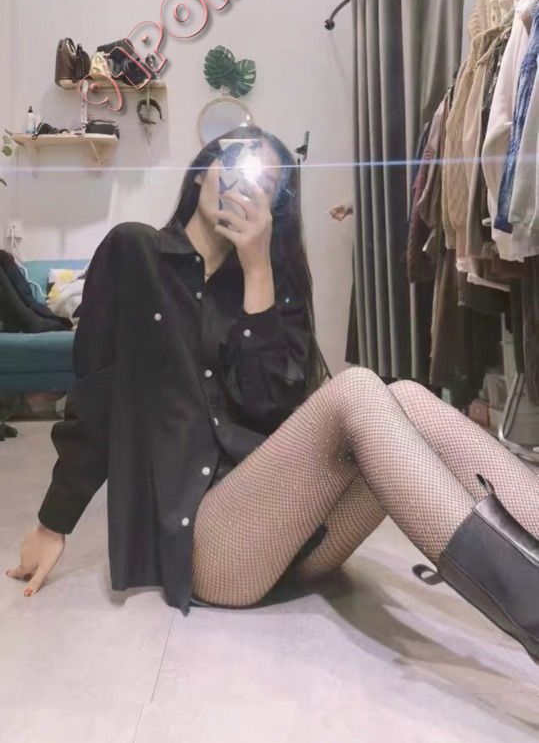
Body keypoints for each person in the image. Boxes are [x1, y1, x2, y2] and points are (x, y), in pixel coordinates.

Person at [6, 125, 539, 663]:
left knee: (405, 397)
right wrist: (53, 523)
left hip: (297, 536)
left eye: (264, 184)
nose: (244, 187)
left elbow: (272, 412)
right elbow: (93, 399)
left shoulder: (273, 286)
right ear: (203, 169)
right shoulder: (134, 252)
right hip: (213, 547)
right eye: (236, 164)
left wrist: (257, 269)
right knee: (359, 387)